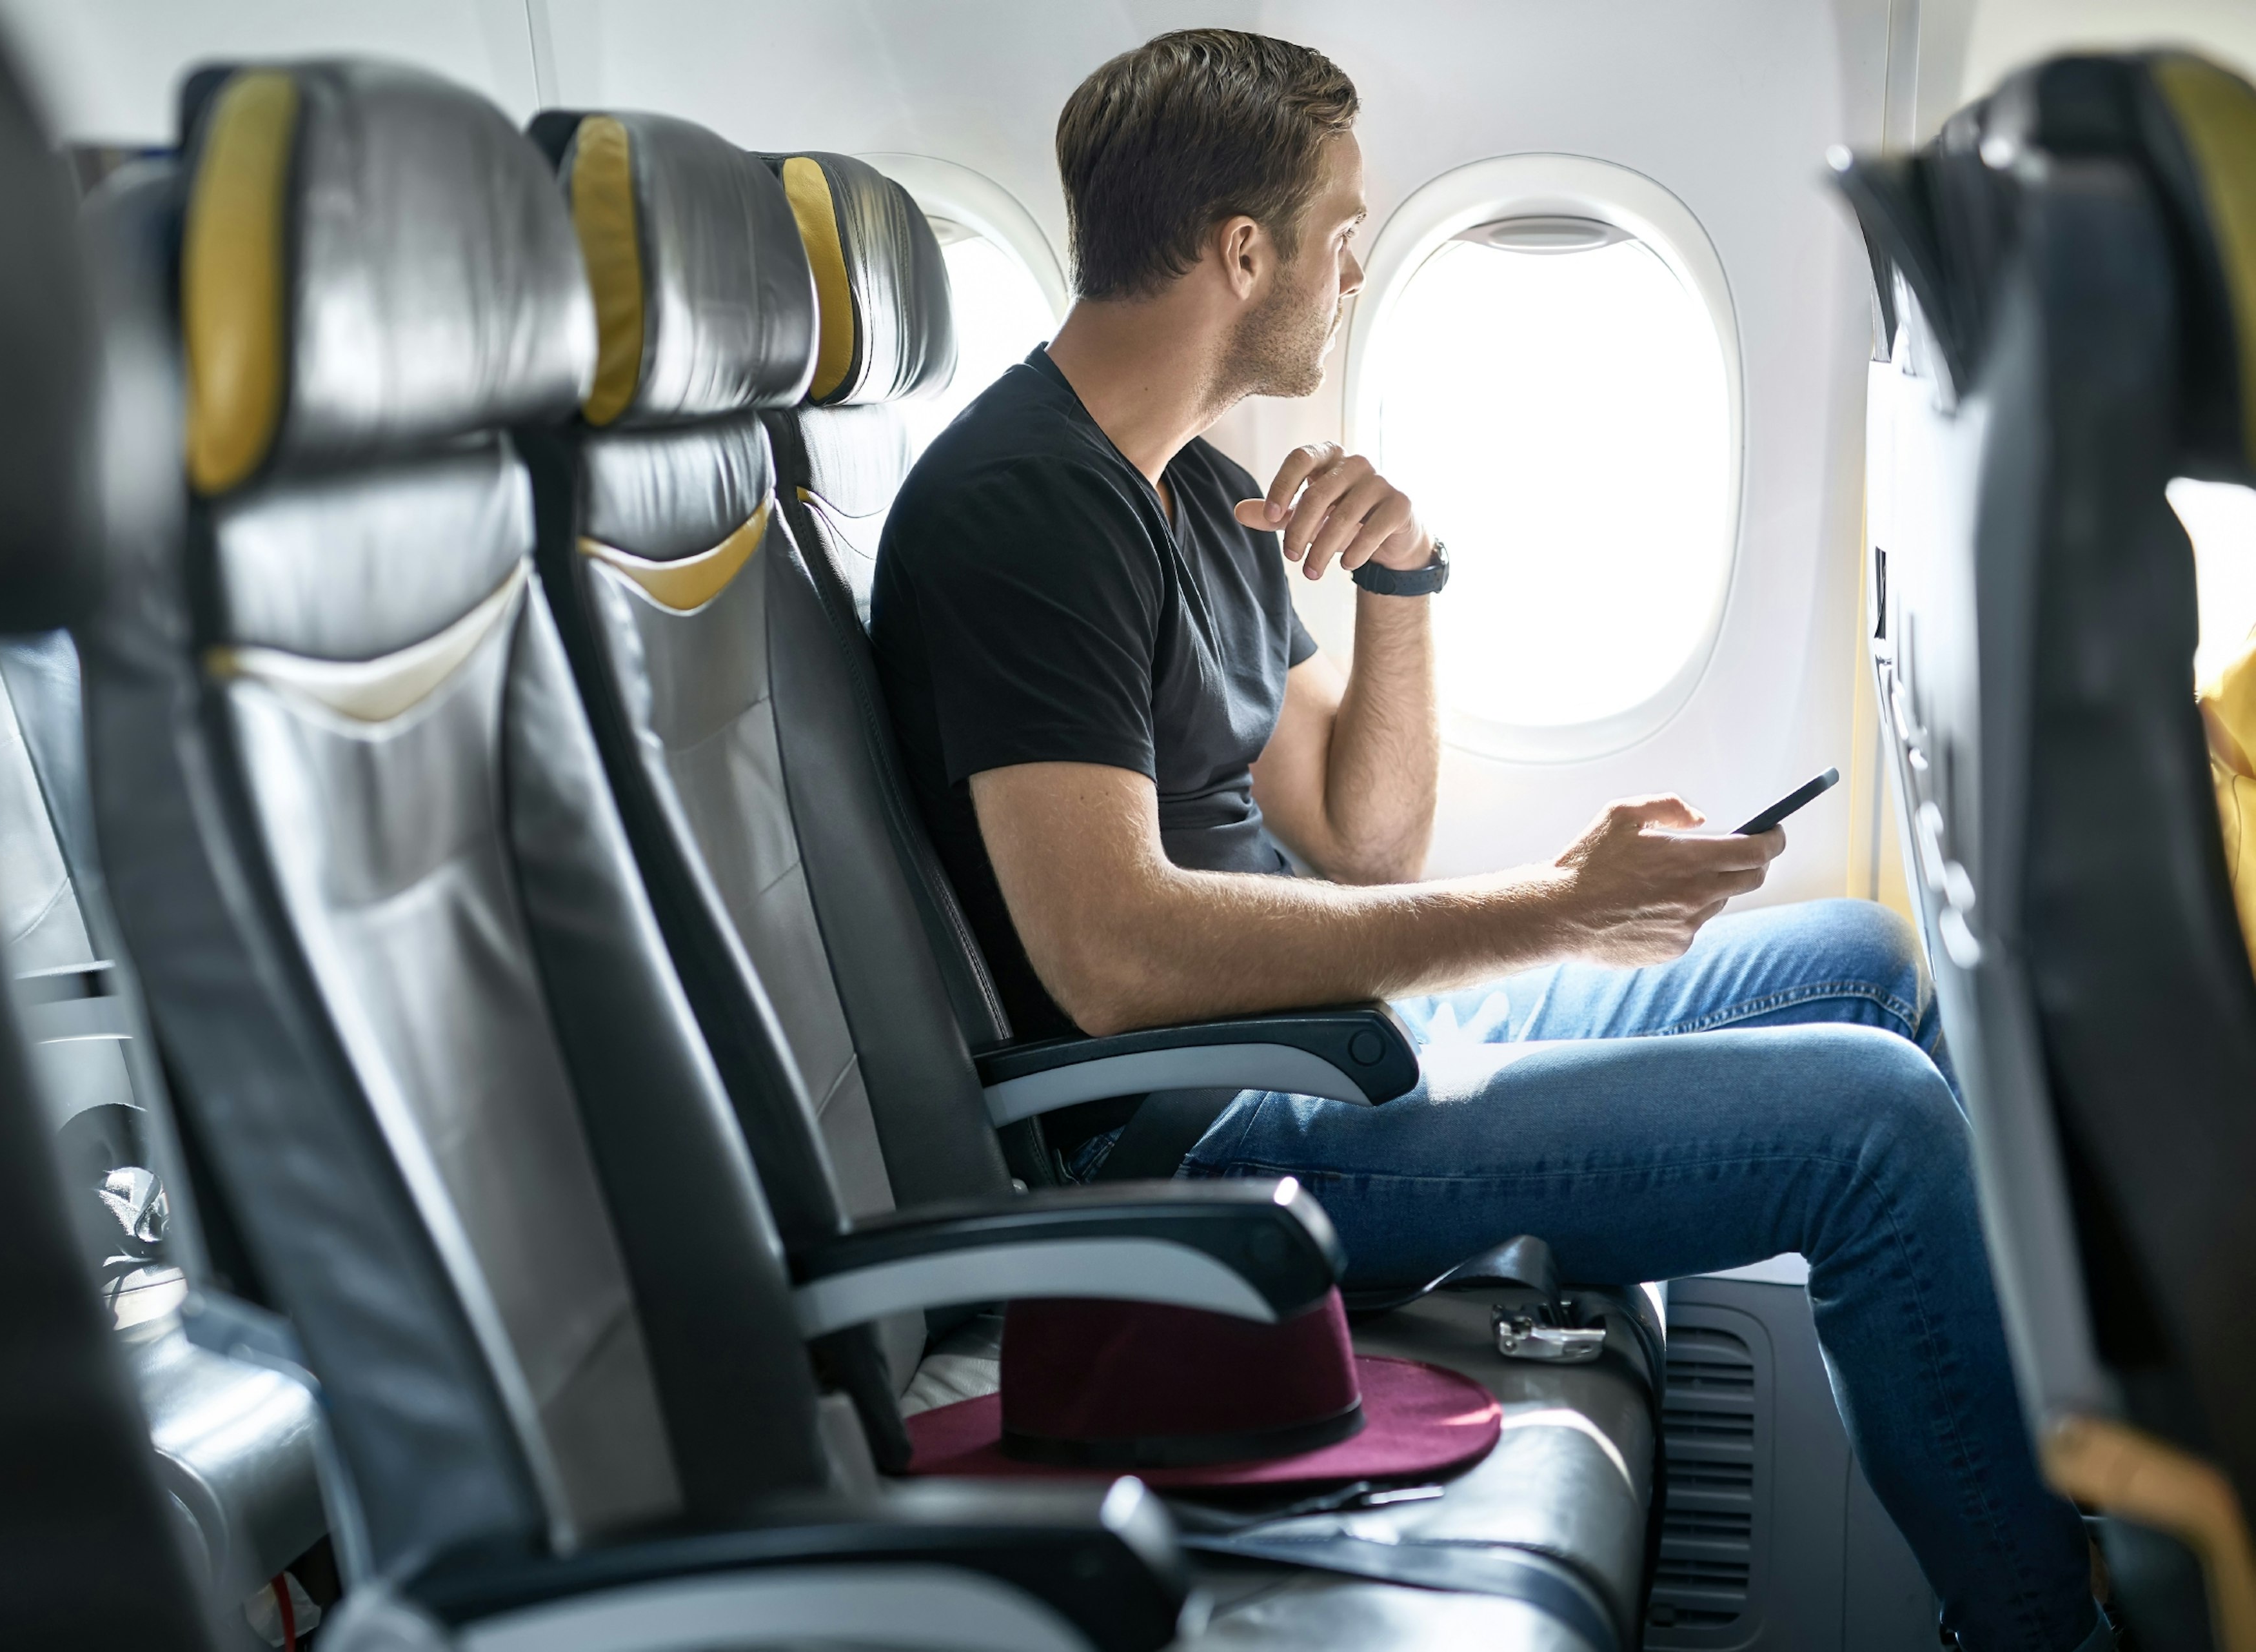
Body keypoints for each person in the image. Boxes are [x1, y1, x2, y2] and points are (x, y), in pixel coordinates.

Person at [869, 27, 2108, 1652]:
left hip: (1331, 1044)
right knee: (1874, 1125)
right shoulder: (1026, 514)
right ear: (1247, 253)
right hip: (1207, 1137)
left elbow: (1360, 832)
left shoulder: (1183, 494)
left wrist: (1403, 577)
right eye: (1345, 232)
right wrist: (1563, 910)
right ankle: (2048, 1631)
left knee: (1867, 956)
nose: (1360, 267)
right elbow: (1113, 957)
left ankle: (2077, 1481)